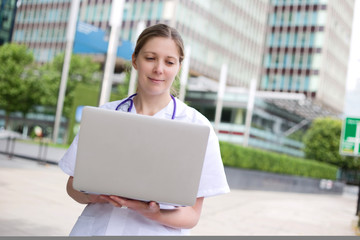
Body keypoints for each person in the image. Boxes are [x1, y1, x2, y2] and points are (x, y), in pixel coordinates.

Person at [59, 23, 230, 236]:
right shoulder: (105, 116)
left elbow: (192, 216)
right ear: (135, 60)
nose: (159, 69)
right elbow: (72, 186)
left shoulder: (197, 127)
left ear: (178, 67)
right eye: (150, 58)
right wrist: (95, 196)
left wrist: (148, 211)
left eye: (169, 62)